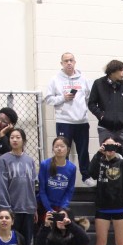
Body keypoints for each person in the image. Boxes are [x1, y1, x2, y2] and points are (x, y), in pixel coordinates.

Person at [44, 52, 94, 185]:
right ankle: (62, 175)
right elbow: (48, 99)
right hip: (64, 121)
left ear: (75, 62)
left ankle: (86, 176)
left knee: (83, 151)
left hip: (81, 121)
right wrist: (63, 98)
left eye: (71, 60)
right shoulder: (55, 79)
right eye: (66, 61)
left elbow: (89, 98)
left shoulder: (83, 79)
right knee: (62, 150)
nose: (69, 63)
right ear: (61, 63)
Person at [0, 128, 38, 244]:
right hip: (12, 209)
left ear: (23, 141)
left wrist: (34, 208)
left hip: (28, 209)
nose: (14, 140)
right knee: (13, 242)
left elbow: (32, 186)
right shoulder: (3, 160)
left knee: (26, 244)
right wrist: (5, 208)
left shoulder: (30, 160)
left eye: (18, 137)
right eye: (12, 137)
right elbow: (1, 185)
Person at [87, 59, 123, 148]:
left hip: (122, 128)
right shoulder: (98, 83)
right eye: (121, 70)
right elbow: (91, 103)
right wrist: (101, 116)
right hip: (105, 128)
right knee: (107, 153)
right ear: (113, 71)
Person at [38, 136, 77, 213]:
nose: (59, 149)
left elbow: (69, 191)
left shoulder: (72, 168)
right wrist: (49, 209)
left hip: (61, 207)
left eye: (62, 146)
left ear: (68, 149)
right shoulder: (44, 164)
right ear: (53, 149)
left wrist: (63, 208)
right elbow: (42, 190)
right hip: (44, 206)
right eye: (56, 146)